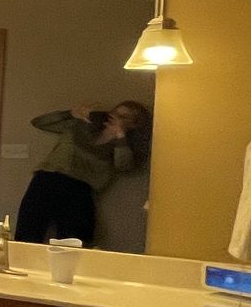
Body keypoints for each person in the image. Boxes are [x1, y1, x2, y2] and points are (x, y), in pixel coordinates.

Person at [14, 101, 150, 244]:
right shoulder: (81, 125)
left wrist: (120, 137)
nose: (115, 117)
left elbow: (124, 166)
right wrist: (70, 113)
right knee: (27, 233)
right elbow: (39, 122)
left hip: (80, 190)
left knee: (75, 241)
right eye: (115, 112)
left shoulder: (124, 146)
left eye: (124, 116)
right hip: (48, 179)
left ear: (134, 124)